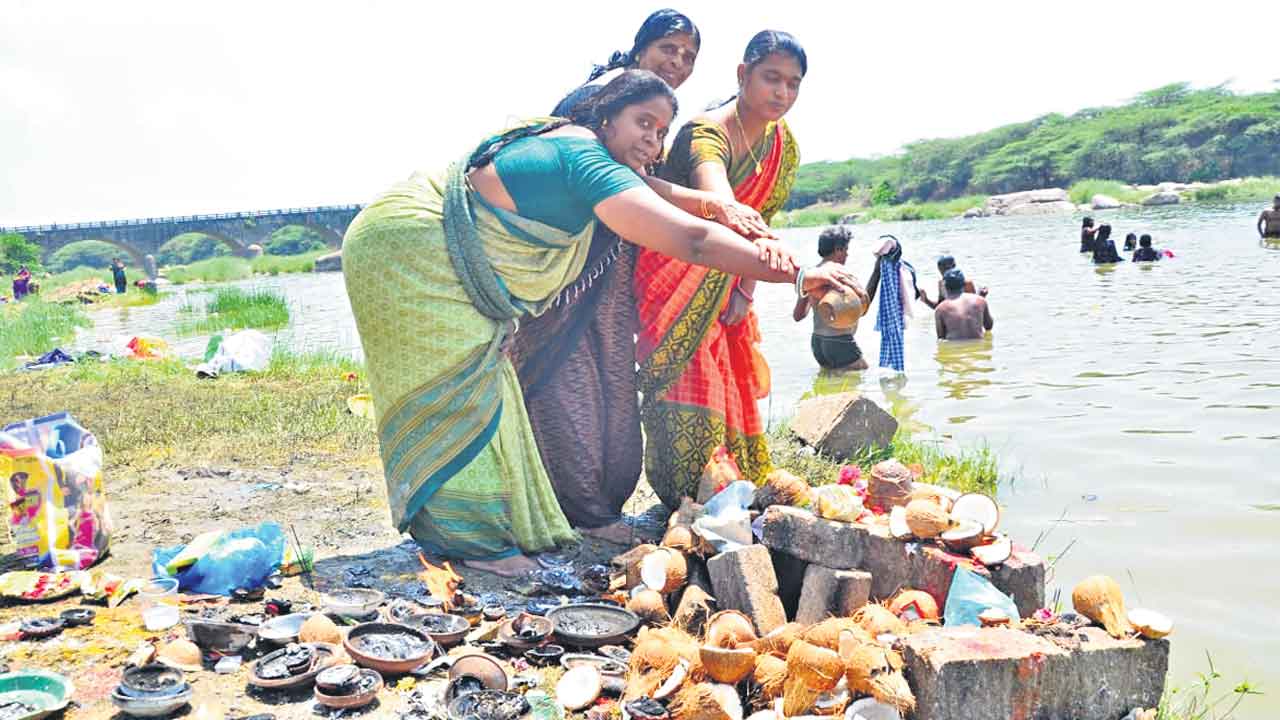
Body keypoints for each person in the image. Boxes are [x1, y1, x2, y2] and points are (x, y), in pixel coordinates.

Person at [341, 70, 861, 576]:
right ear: (606, 118)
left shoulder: (587, 152)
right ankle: (476, 544)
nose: (654, 140)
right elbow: (692, 241)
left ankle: (478, 532)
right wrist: (799, 274)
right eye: (643, 123)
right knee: (461, 390)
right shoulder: (583, 158)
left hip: (425, 249)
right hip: (409, 254)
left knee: (484, 384)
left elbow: (655, 191)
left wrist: (714, 206)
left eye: (661, 131)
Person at [634, 31, 852, 510]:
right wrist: (794, 270)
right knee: (687, 380)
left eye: (793, 84)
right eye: (771, 78)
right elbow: (723, 206)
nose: (782, 93)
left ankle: (732, 491)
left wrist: (746, 291)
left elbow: (763, 217)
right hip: (677, 270)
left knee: (727, 380)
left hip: (732, 270)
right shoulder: (705, 133)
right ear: (742, 75)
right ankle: (686, 499)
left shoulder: (783, 146)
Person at [509, 9, 701, 543]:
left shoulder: (651, 111)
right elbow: (605, 180)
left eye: (689, 56)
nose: (679, 62)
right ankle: (583, 510)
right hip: (570, 272)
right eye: (669, 48)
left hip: (613, 275)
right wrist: (707, 209)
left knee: (614, 381)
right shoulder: (597, 101)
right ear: (640, 48)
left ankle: (602, 504)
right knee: (564, 378)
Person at [794, 226, 868, 370]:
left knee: (833, 385)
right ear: (838, 249)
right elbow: (863, 304)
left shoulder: (811, 276)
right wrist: (878, 270)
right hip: (840, 342)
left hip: (817, 343)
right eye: (846, 249)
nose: (847, 255)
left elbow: (798, 315)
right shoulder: (840, 272)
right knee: (860, 382)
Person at [865, 235, 922, 373]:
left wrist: (877, 267)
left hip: (894, 316)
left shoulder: (899, 268)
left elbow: (881, 246)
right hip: (895, 318)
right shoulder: (897, 268)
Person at [935, 269, 993, 340]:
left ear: (945, 287)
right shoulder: (980, 300)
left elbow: (941, 338)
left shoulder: (940, 309)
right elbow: (989, 326)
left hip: (955, 348)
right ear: (963, 284)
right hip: (978, 346)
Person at [919, 254, 987, 308]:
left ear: (954, 266)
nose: (943, 273)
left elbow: (975, 308)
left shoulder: (966, 283)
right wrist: (926, 300)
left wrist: (981, 297)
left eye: (946, 269)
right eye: (941, 270)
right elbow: (939, 307)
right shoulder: (942, 284)